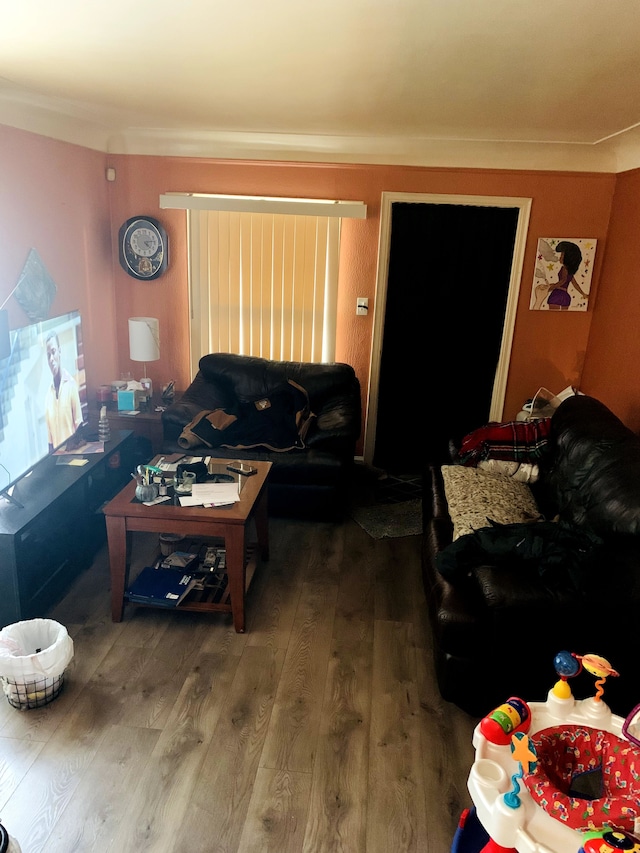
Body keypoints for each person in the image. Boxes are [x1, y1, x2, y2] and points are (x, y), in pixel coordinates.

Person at [44, 330, 83, 451]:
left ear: (59, 351)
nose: (51, 359)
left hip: (74, 455)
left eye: (53, 352)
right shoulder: (47, 397)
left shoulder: (71, 385)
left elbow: (80, 426)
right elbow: (50, 443)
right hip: (57, 461)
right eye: (48, 355)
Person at [535, 240, 589, 311]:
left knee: (552, 316)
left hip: (558, 294)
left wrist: (551, 288)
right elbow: (575, 284)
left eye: (562, 255)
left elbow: (562, 281)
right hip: (565, 296)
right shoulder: (570, 271)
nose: (560, 257)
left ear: (568, 258)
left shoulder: (564, 268)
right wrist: (583, 294)